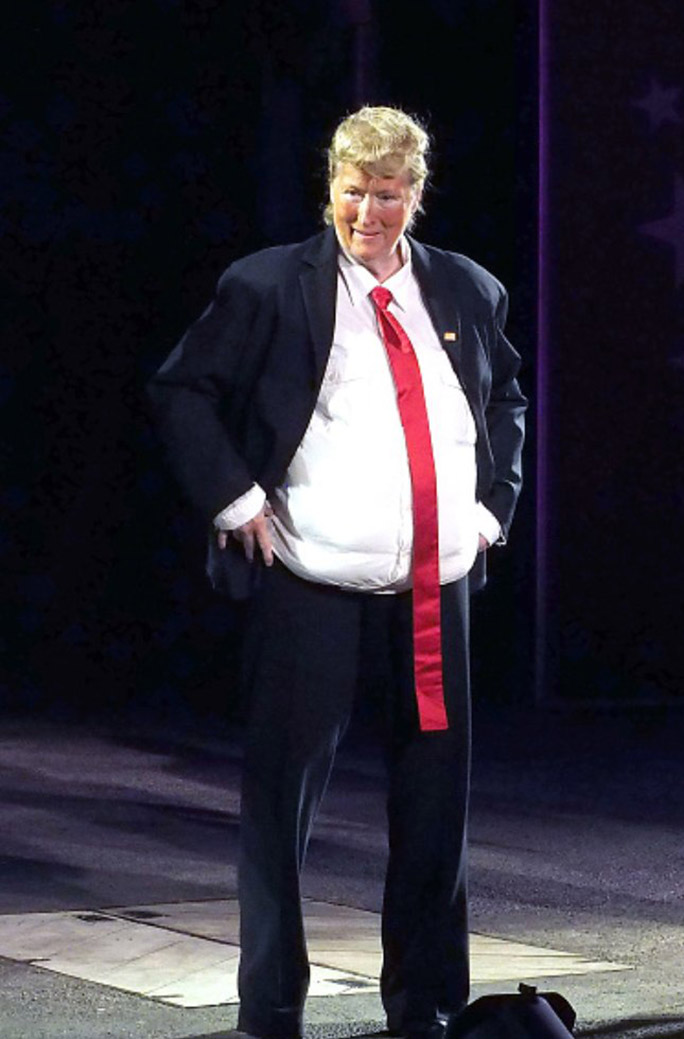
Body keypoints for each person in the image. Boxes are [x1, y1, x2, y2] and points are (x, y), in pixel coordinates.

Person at [148, 105, 526, 1039]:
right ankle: (271, 1009)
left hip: (433, 591)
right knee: (280, 804)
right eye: (353, 192)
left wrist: (490, 511)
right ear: (331, 187)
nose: (367, 213)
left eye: (386, 195)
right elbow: (183, 389)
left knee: (435, 809)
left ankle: (426, 1007)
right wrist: (235, 499)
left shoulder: (468, 289)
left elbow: (506, 401)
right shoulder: (270, 285)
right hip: (312, 583)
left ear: (415, 196)